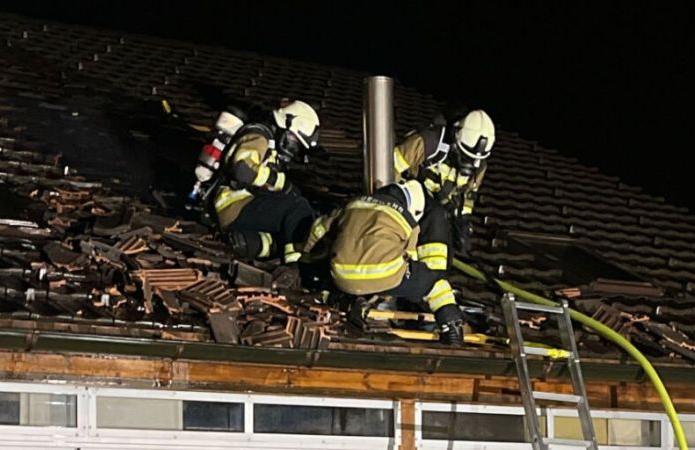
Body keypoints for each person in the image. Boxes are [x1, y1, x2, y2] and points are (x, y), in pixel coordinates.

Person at [304, 179, 466, 345]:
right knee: (434, 283)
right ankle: (452, 326)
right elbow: (410, 259)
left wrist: (305, 257)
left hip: (341, 277)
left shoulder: (353, 204)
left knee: (337, 258)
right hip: (386, 275)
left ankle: (350, 300)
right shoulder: (407, 219)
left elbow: (318, 229)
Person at [212, 100, 320, 263]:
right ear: (285, 125)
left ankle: (245, 243)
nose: (293, 147)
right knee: (298, 208)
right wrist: (280, 182)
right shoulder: (259, 136)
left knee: (286, 230)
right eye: (293, 139)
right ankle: (297, 264)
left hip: (235, 211)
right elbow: (243, 169)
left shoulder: (271, 145)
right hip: (236, 204)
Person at [394, 109, 496, 255]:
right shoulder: (429, 141)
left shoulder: (479, 166)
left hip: (438, 207)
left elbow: (467, 196)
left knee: (444, 231)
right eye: (465, 155)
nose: (470, 163)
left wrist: (463, 223)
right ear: (456, 139)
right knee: (436, 218)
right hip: (409, 200)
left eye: (474, 159)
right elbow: (391, 167)